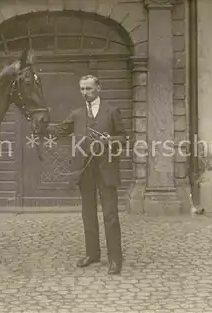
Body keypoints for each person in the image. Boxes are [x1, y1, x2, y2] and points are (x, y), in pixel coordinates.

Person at [42, 75, 127, 275]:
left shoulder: (112, 111)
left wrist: (110, 141)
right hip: (84, 170)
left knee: (110, 215)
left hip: (106, 169)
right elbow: (61, 130)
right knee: (88, 214)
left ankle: (115, 260)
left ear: (99, 88)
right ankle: (92, 254)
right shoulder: (77, 114)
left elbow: (123, 137)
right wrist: (41, 127)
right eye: (81, 89)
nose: (85, 93)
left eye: (88, 88)